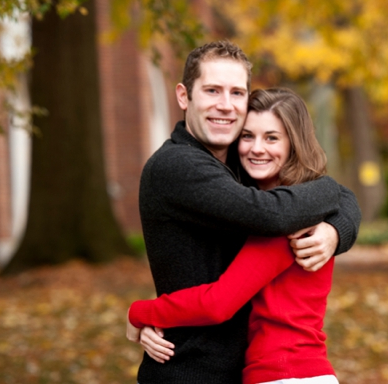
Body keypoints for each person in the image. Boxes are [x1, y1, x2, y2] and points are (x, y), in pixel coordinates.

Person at [131, 41, 360, 384]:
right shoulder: (178, 165)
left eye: (237, 93)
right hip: (192, 371)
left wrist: (336, 230)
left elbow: (324, 197)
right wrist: (142, 313)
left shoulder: (241, 167)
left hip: (256, 370)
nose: (225, 105)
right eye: (212, 90)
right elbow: (275, 214)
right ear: (184, 96)